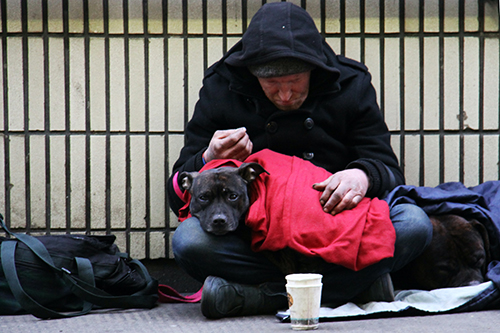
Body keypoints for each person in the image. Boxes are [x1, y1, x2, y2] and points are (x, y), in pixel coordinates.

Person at [167, 2, 432, 319]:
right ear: (253, 75)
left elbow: (387, 169)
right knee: (189, 241)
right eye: (272, 85)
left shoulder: (351, 83)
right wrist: (209, 157)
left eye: (294, 82)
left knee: (415, 223)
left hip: (333, 227)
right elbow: (178, 191)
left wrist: (361, 176)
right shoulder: (223, 87)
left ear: (313, 70)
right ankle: (351, 288)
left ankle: (255, 297)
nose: (285, 96)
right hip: (257, 238)